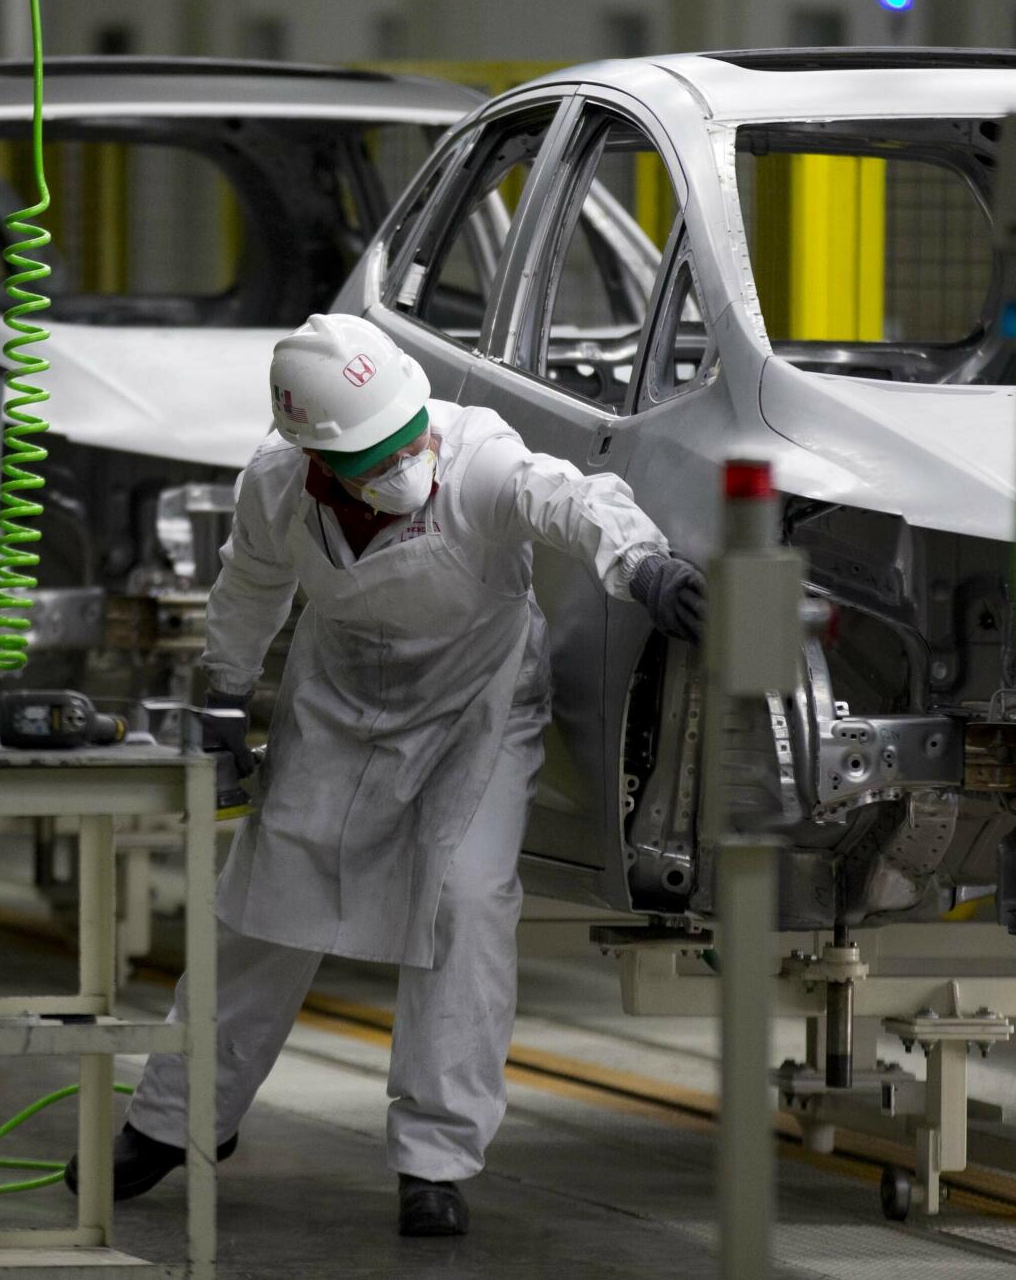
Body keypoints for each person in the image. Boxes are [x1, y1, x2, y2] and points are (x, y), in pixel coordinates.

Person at [66, 313, 704, 1236]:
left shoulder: (475, 454)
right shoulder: (279, 488)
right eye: (380, 449)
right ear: (318, 456)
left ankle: (435, 1161)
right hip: (336, 704)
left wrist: (641, 563)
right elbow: (249, 585)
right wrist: (222, 695)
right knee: (262, 901)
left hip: (475, 710)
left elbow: (565, 496)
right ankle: (176, 1118)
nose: (409, 457)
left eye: (411, 433)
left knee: (467, 901)